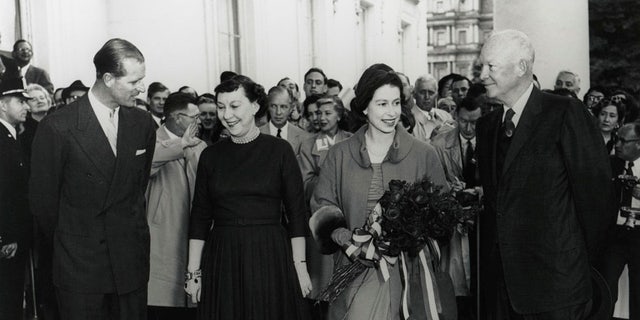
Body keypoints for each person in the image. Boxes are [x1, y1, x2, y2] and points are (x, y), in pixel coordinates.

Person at [476, 29, 613, 319]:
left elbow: (596, 199)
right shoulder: (486, 126)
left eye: (491, 66)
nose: (482, 75)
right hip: (502, 290)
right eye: (481, 66)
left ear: (522, 67)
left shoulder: (566, 113)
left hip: (558, 288)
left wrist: (576, 265)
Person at [309, 63, 449, 320]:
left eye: (396, 103)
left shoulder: (423, 154)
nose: (391, 112)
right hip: (355, 269)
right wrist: (349, 240)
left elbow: (442, 214)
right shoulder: (339, 155)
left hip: (409, 273)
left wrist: (413, 232)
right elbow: (321, 207)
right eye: (382, 104)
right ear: (364, 106)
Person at [29, 38, 156, 320]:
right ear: (108, 78)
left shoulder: (142, 123)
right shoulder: (58, 126)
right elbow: (43, 205)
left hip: (130, 264)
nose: (141, 88)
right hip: (80, 268)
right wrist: (75, 240)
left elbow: (136, 187)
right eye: (134, 81)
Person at [185, 75, 312, 319]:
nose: (226, 115)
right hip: (223, 255)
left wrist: (300, 266)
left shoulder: (279, 150)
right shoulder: (210, 156)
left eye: (234, 106)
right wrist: (193, 273)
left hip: (270, 253)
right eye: (221, 107)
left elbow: (296, 212)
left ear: (255, 106)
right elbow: (199, 216)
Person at [146, 93, 206, 320]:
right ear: (175, 117)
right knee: (164, 303)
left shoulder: (200, 145)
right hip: (164, 236)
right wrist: (181, 144)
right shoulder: (152, 141)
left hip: (194, 234)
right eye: (194, 116)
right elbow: (150, 160)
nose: (198, 121)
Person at [297, 95, 353, 319]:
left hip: (351, 217)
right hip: (321, 219)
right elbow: (305, 183)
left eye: (328, 113)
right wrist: (332, 181)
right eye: (318, 113)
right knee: (322, 286)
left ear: (339, 115)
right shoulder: (308, 144)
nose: (321, 117)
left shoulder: (351, 140)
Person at [431, 96, 482, 320]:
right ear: (455, 118)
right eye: (463, 122)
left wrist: (480, 191)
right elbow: (432, 183)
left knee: (480, 279)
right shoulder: (439, 145)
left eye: (474, 123)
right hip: (453, 223)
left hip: (482, 221)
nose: (469, 128)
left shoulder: (492, 141)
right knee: (455, 281)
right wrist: (451, 189)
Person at [600, 122, 640, 320]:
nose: (617, 144)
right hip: (615, 234)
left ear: (639, 144)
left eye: (624, 141)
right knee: (606, 285)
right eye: (617, 139)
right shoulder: (611, 164)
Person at [0, 77, 32, 320]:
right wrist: (7, 235)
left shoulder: (12, 136)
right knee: (8, 298)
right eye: (20, 101)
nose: (27, 107)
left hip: (15, 234)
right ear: (2, 105)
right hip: (8, 238)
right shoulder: (2, 139)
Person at [259, 85, 310, 152]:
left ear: (291, 108)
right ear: (268, 106)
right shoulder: (257, 134)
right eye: (274, 106)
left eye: (283, 107)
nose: (278, 112)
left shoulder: (303, 136)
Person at [411, 75, 454, 141]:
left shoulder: (446, 116)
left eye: (431, 93)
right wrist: (432, 139)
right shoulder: (407, 119)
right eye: (422, 92)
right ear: (414, 94)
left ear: (436, 95)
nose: (427, 97)